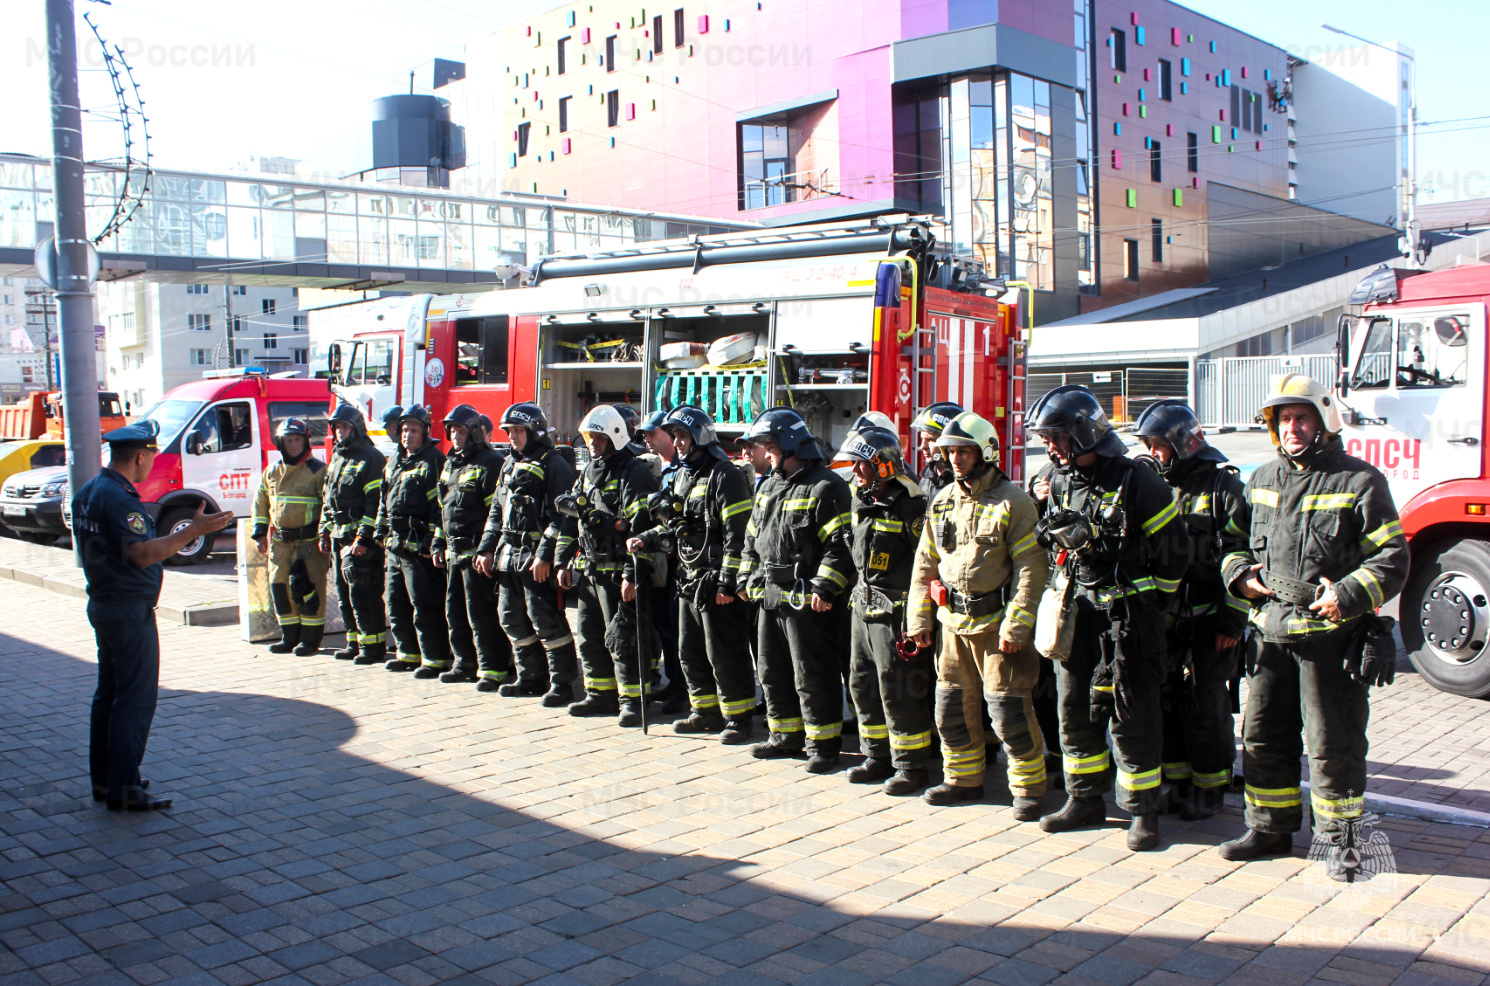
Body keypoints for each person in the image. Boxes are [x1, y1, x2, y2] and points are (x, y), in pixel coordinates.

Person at [1218, 374, 1407, 878]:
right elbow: (1232, 543)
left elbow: (1392, 557)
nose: (1292, 428)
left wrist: (1345, 595)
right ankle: (1269, 828)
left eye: (1301, 418)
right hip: (1270, 634)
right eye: (1283, 420)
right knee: (1261, 737)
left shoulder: (1360, 481)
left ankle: (1339, 845)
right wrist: (1240, 577)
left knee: (1333, 745)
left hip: (1330, 639)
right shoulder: (1261, 480)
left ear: (1323, 422)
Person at [1030, 385, 1191, 851]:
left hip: (1129, 619)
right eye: (1045, 438)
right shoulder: (1059, 481)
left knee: (1132, 713)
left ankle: (1143, 813)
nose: (1050, 447)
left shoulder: (1137, 480)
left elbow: (1175, 555)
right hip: (1079, 613)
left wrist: (1148, 607)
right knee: (1073, 707)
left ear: (1083, 434)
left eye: (1056, 437)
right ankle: (1084, 799)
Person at [74, 420, 234, 811]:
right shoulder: (121, 499)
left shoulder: (89, 491)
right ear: (141, 456)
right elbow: (141, 553)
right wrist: (190, 532)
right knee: (134, 699)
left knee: (108, 695)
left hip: (105, 604)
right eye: (152, 457)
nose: (151, 464)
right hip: (128, 610)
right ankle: (126, 788)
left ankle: (107, 781)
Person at [906, 412, 1050, 815]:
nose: (955, 460)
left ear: (986, 452)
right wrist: (918, 621)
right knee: (951, 708)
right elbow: (924, 565)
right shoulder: (942, 502)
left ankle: (1028, 788)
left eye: (964, 451)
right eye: (950, 452)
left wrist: (1017, 625)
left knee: (1008, 711)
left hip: (996, 626)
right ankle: (962, 780)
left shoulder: (1014, 503)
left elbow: (1031, 570)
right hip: (952, 625)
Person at [1134, 400, 1248, 821]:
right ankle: (1178, 781)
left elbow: (1243, 555)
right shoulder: (1154, 486)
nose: (1153, 453)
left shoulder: (1223, 490)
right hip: (1165, 621)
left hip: (1210, 621)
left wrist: (1233, 621)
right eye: (1148, 445)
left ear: (1184, 443)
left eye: (1159, 445)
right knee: (1167, 701)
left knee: (1206, 706)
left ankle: (1210, 787)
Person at [628, 405, 757, 743]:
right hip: (688, 580)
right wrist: (645, 539)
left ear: (700, 436)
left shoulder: (724, 474)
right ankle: (705, 712)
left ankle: (739, 718)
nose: (679, 442)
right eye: (676, 436)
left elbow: (738, 534)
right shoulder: (683, 474)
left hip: (716, 583)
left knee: (724, 652)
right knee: (690, 651)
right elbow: (675, 527)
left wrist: (729, 582)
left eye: (684, 436)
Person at [739, 408, 856, 772]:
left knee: (811, 672)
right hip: (770, 596)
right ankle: (785, 736)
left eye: (770, 446)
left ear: (790, 445)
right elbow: (751, 539)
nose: (765, 454)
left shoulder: (827, 486)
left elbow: (841, 545)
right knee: (772, 670)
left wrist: (825, 585)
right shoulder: (768, 486)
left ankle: (822, 744)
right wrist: (745, 579)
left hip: (808, 602)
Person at [837, 424, 934, 795]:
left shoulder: (911, 503)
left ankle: (911, 766)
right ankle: (876, 755)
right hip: (862, 606)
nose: (855, 471)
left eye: (861, 464)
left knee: (898, 689)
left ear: (883, 464)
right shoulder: (860, 496)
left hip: (895, 614)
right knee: (861, 683)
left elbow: (925, 565)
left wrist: (916, 618)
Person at [555, 404, 659, 726]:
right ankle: (600, 696)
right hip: (589, 571)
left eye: (598, 438)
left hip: (618, 574)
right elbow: (572, 521)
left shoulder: (634, 473)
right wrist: (561, 560)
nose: (592, 444)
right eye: (588, 438)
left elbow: (641, 527)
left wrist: (632, 574)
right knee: (589, 635)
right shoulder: (587, 474)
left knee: (623, 637)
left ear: (615, 436)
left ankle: (632, 700)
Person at [476, 402, 580, 703]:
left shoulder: (554, 464)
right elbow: (497, 509)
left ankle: (562, 683)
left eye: (519, 431)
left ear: (533, 431)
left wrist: (545, 555)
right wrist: (486, 548)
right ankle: (530, 676)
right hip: (508, 556)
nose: (513, 437)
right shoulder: (507, 463)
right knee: (510, 617)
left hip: (536, 557)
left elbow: (561, 515)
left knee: (545, 619)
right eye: (509, 431)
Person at [431, 404, 510, 684]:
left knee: (482, 615)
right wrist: (438, 543)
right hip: (454, 553)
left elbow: (496, 512)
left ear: (474, 432)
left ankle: (493, 669)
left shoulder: (491, 462)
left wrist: (487, 549)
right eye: (452, 431)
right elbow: (444, 508)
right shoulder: (450, 463)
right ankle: (464, 664)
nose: (455, 436)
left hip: (477, 555)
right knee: (455, 612)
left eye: (461, 431)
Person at [375, 405, 451, 673]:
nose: (407, 435)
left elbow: (440, 508)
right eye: (404, 429)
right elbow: (384, 500)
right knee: (396, 603)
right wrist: (379, 529)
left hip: (419, 548)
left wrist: (432, 542)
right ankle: (407, 654)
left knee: (424, 604)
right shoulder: (394, 460)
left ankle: (434, 658)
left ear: (425, 432)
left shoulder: (433, 461)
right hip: (395, 546)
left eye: (414, 430)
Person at [251, 418, 330, 655]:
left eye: (297, 439)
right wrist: (259, 534)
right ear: (280, 443)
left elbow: (328, 505)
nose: (293, 444)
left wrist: (324, 534)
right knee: (280, 588)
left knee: (310, 589)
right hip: (280, 544)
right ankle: (289, 637)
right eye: (289, 440)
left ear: (306, 442)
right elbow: (260, 502)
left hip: (309, 544)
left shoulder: (318, 470)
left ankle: (310, 640)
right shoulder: (272, 471)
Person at [319, 403, 388, 665]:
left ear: (356, 428)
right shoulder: (337, 457)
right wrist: (325, 531)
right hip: (339, 539)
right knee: (343, 592)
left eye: (345, 427)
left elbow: (375, 502)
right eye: (336, 428)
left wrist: (364, 537)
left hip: (360, 542)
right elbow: (328, 498)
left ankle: (373, 647)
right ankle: (354, 642)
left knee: (364, 593)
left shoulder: (371, 457)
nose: (339, 432)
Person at [633, 408, 688, 713]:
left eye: (653, 433)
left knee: (677, 629)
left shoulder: (682, 470)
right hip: (661, 561)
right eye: (644, 435)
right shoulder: (660, 469)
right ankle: (675, 683)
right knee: (664, 625)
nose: (647, 439)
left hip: (681, 562)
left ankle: (684, 690)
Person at [910, 402, 963, 498]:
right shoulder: (927, 479)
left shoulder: (963, 482)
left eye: (930, 440)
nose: (923, 446)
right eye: (922, 439)